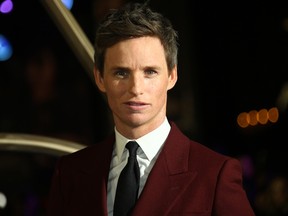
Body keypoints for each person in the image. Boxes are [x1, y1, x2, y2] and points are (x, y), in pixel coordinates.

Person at [46, 2, 256, 216]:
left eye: (150, 72)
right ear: (100, 78)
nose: (136, 88)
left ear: (172, 76)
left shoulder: (214, 174)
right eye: (121, 73)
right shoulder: (70, 173)